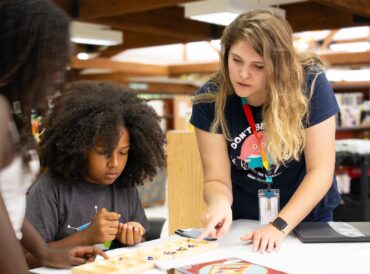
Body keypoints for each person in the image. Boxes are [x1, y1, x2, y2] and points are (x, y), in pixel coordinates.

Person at [191, 10, 340, 253]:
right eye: (236, 60)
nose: (243, 74)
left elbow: (321, 171)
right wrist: (219, 204)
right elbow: (216, 179)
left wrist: (278, 225)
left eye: (258, 66)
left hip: (308, 220)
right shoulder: (210, 99)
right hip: (245, 225)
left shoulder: (310, 84)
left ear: (279, 67)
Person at [0, 0, 108, 273]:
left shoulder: (12, 111)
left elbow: (9, 204)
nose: (59, 77)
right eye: (54, 63)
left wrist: (46, 252)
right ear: (25, 54)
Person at [26, 80, 166, 266]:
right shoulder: (50, 189)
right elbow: (24, 260)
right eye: (103, 152)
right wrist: (85, 237)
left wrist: (133, 237)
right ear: (80, 147)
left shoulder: (124, 185)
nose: (114, 163)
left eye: (123, 152)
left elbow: (140, 243)